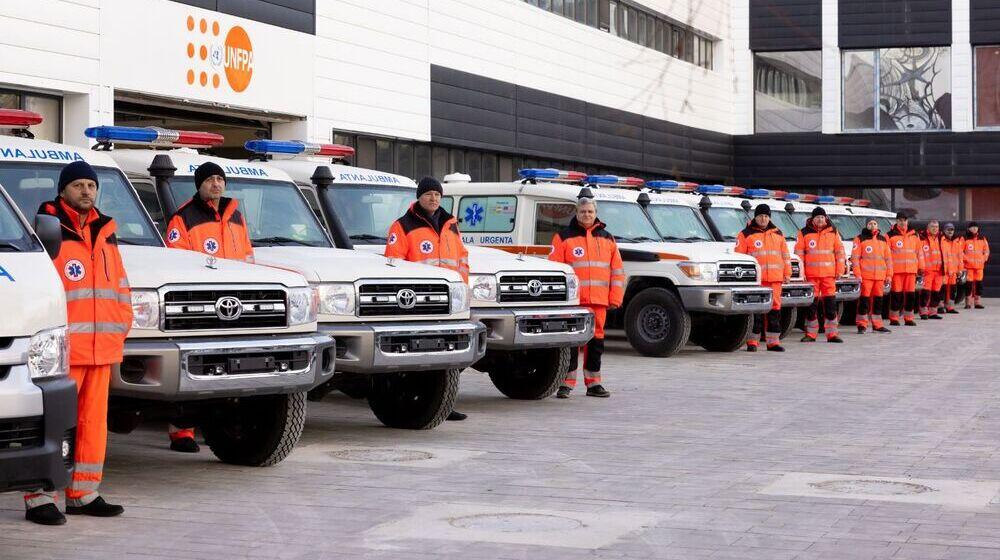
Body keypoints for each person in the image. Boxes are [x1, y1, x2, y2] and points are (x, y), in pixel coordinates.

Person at [25, 161, 132, 525]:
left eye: (91, 185)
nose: (86, 191)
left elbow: (119, 286)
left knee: (91, 424)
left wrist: (120, 328)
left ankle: (83, 492)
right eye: (78, 186)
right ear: (63, 190)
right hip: (61, 354)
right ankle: (40, 497)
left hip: (101, 351)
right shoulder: (46, 229)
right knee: (52, 425)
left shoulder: (106, 231)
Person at [164, 161, 254, 451]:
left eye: (220, 179)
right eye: (210, 180)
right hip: (201, 306)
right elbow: (175, 264)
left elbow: (248, 257)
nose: (216, 184)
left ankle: (219, 425)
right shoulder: (183, 218)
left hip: (235, 305)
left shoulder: (236, 216)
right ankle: (181, 432)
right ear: (199, 185)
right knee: (196, 367)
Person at [385, 177, 470, 420]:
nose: (433, 198)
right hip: (419, 305)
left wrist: (462, 289)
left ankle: (443, 402)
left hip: (450, 302)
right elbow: (394, 265)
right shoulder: (403, 226)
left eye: (437, 194)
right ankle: (425, 401)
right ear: (419, 197)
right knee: (422, 354)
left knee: (450, 353)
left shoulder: (450, 224)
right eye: (428, 194)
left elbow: (462, 257)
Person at [550, 195, 623, 398]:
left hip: (599, 302)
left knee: (596, 343)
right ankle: (566, 383)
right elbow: (556, 271)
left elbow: (617, 270)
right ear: (577, 213)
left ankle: (594, 383)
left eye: (590, 211)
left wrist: (615, 297)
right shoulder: (563, 237)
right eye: (583, 212)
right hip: (574, 302)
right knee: (571, 343)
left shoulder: (608, 238)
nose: (587, 215)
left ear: (596, 213)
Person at [735, 203, 790, 351]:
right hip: (757, 282)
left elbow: (785, 256)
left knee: (775, 311)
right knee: (756, 311)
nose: (763, 219)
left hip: (776, 280)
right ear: (755, 217)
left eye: (766, 216)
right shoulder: (745, 234)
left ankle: (773, 342)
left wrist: (787, 273)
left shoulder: (778, 234)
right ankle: (752, 342)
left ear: (769, 217)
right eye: (760, 216)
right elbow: (740, 258)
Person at [795, 206, 845, 343]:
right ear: (812, 219)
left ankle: (832, 334)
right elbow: (799, 255)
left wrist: (840, 270)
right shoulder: (804, 233)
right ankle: (811, 334)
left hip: (829, 276)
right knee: (811, 307)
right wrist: (802, 272)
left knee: (830, 306)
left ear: (826, 218)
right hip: (811, 277)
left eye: (822, 217)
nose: (820, 220)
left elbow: (840, 253)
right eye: (817, 217)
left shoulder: (833, 232)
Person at [851, 217, 893, 334]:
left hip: (880, 277)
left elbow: (888, 259)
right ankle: (862, 325)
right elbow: (855, 259)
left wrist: (889, 275)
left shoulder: (883, 239)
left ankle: (877, 325)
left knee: (878, 301)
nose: (873, 225)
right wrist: (858, 274)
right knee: (864, 301)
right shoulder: (860, 239)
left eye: (875, 223)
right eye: (870, 223)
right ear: (866, 225)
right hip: (866, 277)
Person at [886, 212, 924, 326]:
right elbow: (886, 255)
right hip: (896, 271)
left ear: (907, 221)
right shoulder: (889, 235)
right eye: (900, 220)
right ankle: (894, 318)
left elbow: (919, 252)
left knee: (910, 296)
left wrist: (921, 267)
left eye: (904, 220)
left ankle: (908, 318)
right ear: (896, 221)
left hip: (911, 271)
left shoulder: (914, 235)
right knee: (896, 295)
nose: (903, 222)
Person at [918, 220, 945, 320]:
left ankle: (933, 312)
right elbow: (918, 254)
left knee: (936, 293)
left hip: (939, 271)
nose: (935, 228)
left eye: (937, 227)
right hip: (927, 271)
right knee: (925, 292)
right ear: (928, 227)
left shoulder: (941, 238)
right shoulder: (922, 238)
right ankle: (923, 312)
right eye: (933, 226)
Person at [963, 221, 990, 309]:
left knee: (979, 285)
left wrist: (983, 259)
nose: (974, 229)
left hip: (979, 266)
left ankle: (977, 302)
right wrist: (966, 260)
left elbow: (986, 251)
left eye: (976, 227)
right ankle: (968, 303)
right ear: (969, 229)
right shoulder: (965, 239)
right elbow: (960, 252)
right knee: (969, 285)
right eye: (972, 227)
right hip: (968, 267)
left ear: (978, 228)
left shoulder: (982, 238)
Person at [940, 223, 963, 314]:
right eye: (948, 230)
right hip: (944, 271)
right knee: (942, 289)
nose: (950, 231)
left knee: (952, 290)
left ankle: (950, 307)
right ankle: (940, 307)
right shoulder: (941, 241)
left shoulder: (957, 242)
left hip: (953, 271)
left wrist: (960, 270)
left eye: (952, 230)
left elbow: (960, 257)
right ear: (944, 231)